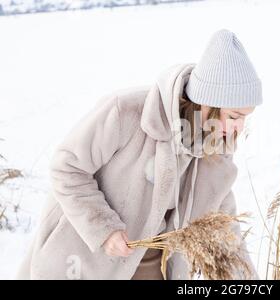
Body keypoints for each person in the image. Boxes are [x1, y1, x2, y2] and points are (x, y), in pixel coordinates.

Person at [15, 28, 263, 280]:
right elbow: (66, 167)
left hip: (153, 269)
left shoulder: (215, 149)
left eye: (244, 118)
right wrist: (104, 229)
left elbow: (222, 223)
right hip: (82, 262)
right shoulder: (125, 112)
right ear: (207, 103)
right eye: (234, 117)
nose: (239, 128)